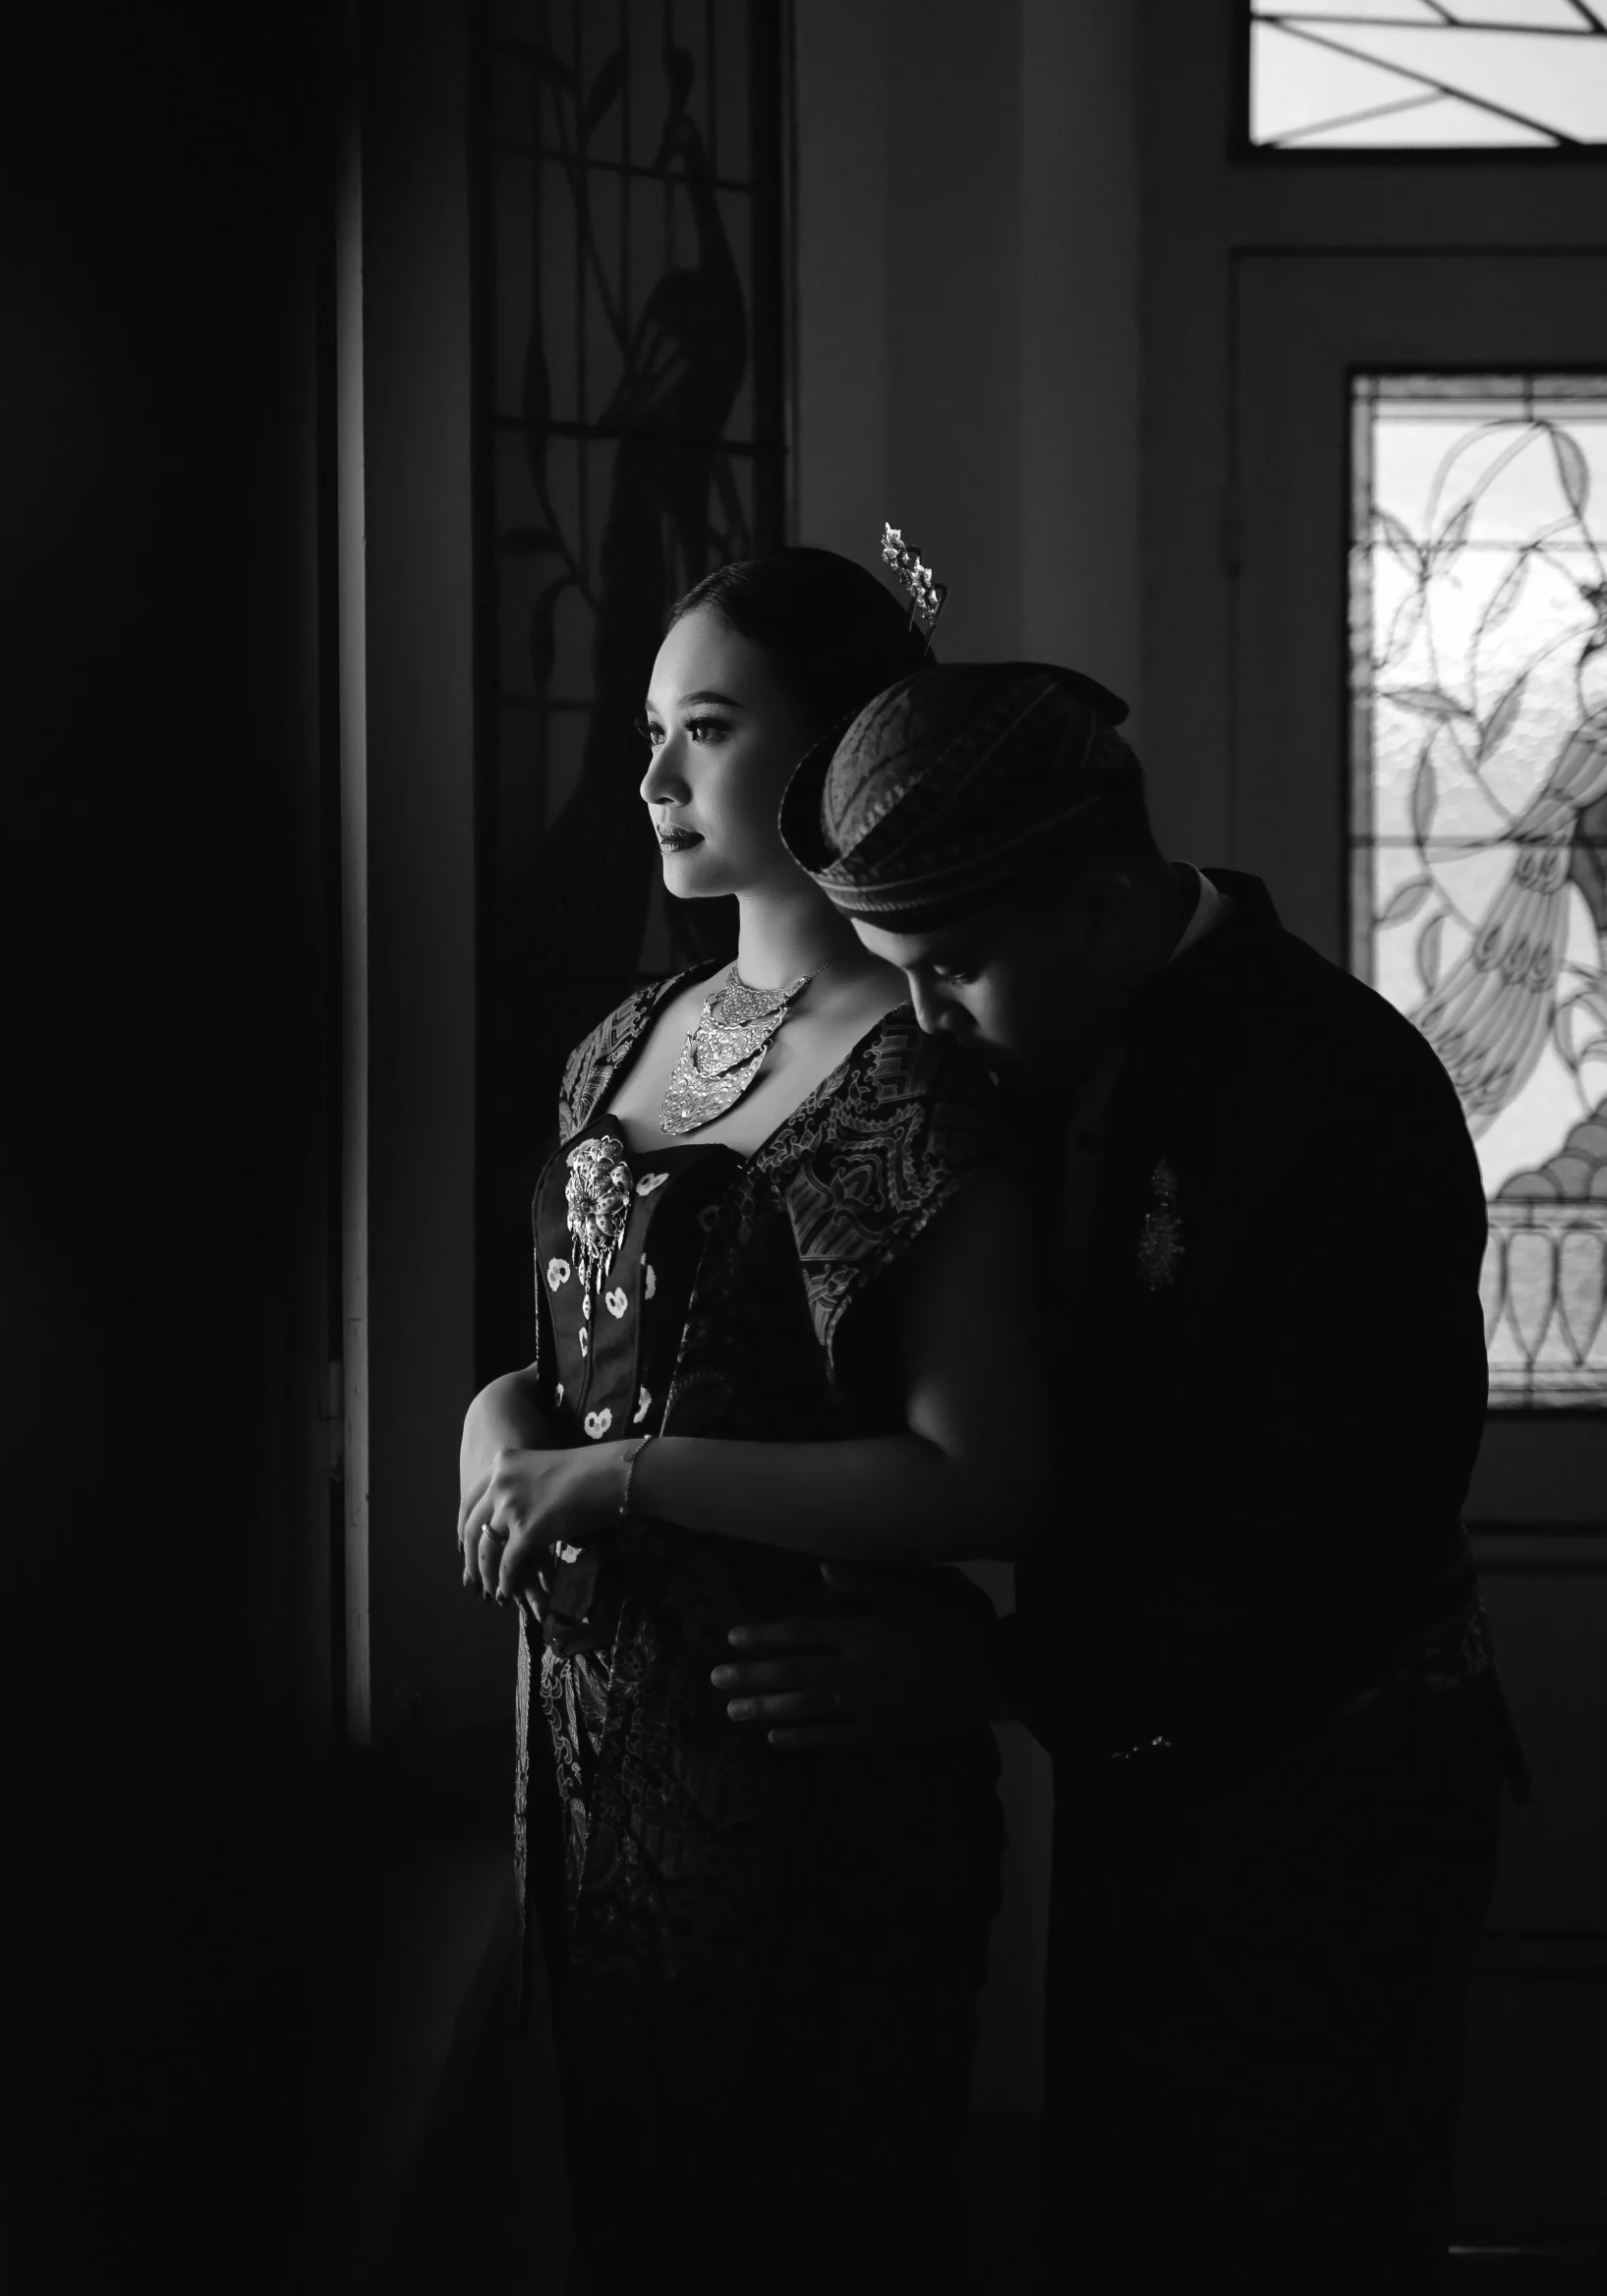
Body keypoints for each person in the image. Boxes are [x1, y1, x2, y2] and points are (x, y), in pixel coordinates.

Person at [722, 657, 1524, 2294]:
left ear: (1096, 904)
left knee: (1300, 2227)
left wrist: (994, 1670)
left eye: (952, 970)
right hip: (1144, 1770)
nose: (924, 1023)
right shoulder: (1028, 1052)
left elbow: (1338, 1541)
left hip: (1339, 1778)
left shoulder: (1339, 1089)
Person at [455, 550, 1044, 2296]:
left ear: (828, 752)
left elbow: (981, 1475)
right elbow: (571, 1364)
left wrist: (626, 1477)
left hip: (808, 1772)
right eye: (648, 729)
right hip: (591, 1752)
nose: (650, 776)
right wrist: (497, 1423)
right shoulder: (620, 1041)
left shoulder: (922, 1065)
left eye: (703, 730)